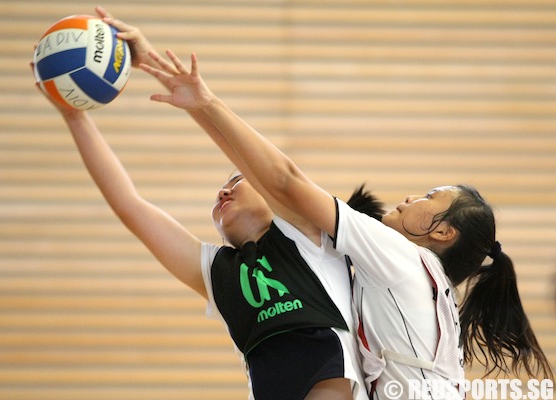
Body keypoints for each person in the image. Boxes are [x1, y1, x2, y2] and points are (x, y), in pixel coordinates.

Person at [139, 48, 554, 398]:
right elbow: (272, 183)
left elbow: (283, 182)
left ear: (444, 232)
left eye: (429, 198)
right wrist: (200, 108)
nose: (411, 197)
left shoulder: (401, 256)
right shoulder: (415, 279)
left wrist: (206, 102)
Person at [31, 7, 369, 399]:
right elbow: (130, 205)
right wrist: (74, 118)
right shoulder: (218, 273)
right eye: (219, 191)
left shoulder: (308, 234)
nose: (222, 193)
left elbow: (269, 170)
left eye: (236, 181)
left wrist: (196, 97)